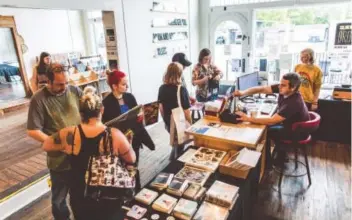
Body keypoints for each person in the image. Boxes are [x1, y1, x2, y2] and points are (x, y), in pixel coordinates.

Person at [42, 87, 136, 220]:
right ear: (102, 110)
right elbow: (131, 159)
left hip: (80, 196)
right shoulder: (114, 134)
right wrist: (128, 144)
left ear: (81, 113)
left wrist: (66, 148)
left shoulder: (69, 133)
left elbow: (46, 145)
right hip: (108, 196)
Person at [27, 63, 82, 220]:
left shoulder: (74, 90)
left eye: (66, 82)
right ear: (48, 82)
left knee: (79, 194)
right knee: (59, 200)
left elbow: (87, 113)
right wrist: (56, 143)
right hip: (59, 159)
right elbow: (32, 130)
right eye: (59, 84)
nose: (64, 87)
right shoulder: (38, 99)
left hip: (79, 154)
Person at [233, 72, 310, 167]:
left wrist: (248, 118)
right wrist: (242, 92)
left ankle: (268, 164)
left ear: (293, 87)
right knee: (266, 127)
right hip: (290, 125)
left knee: (265, 132)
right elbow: (262, 89)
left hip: (297, 132)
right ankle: (281, 155)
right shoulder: (285, 90)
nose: (279, 87)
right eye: (280, 83)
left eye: (283, 85)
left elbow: (271, 120)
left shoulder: (294, 102)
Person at [102, 70, 155, 164]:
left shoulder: (130, 97)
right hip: (119, 142)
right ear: (114, 86)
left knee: (135, 164)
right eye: (123, 84)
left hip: (135, 138)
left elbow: (137, 118)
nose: (127, 86)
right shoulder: (106, 103)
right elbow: (106, 126)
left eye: (127, 83)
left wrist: (142, 114)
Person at [158, 62, 192, 160]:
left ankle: (172, 161)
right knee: (180, 145)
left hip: (169, 120)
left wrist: (166, 121)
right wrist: (190, 123)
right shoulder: (181, 89)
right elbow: (186, 111)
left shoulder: (162, 88)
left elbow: (161, 107)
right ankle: (174, 164)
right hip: (179, 122)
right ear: (179, 74)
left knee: (175, 143)